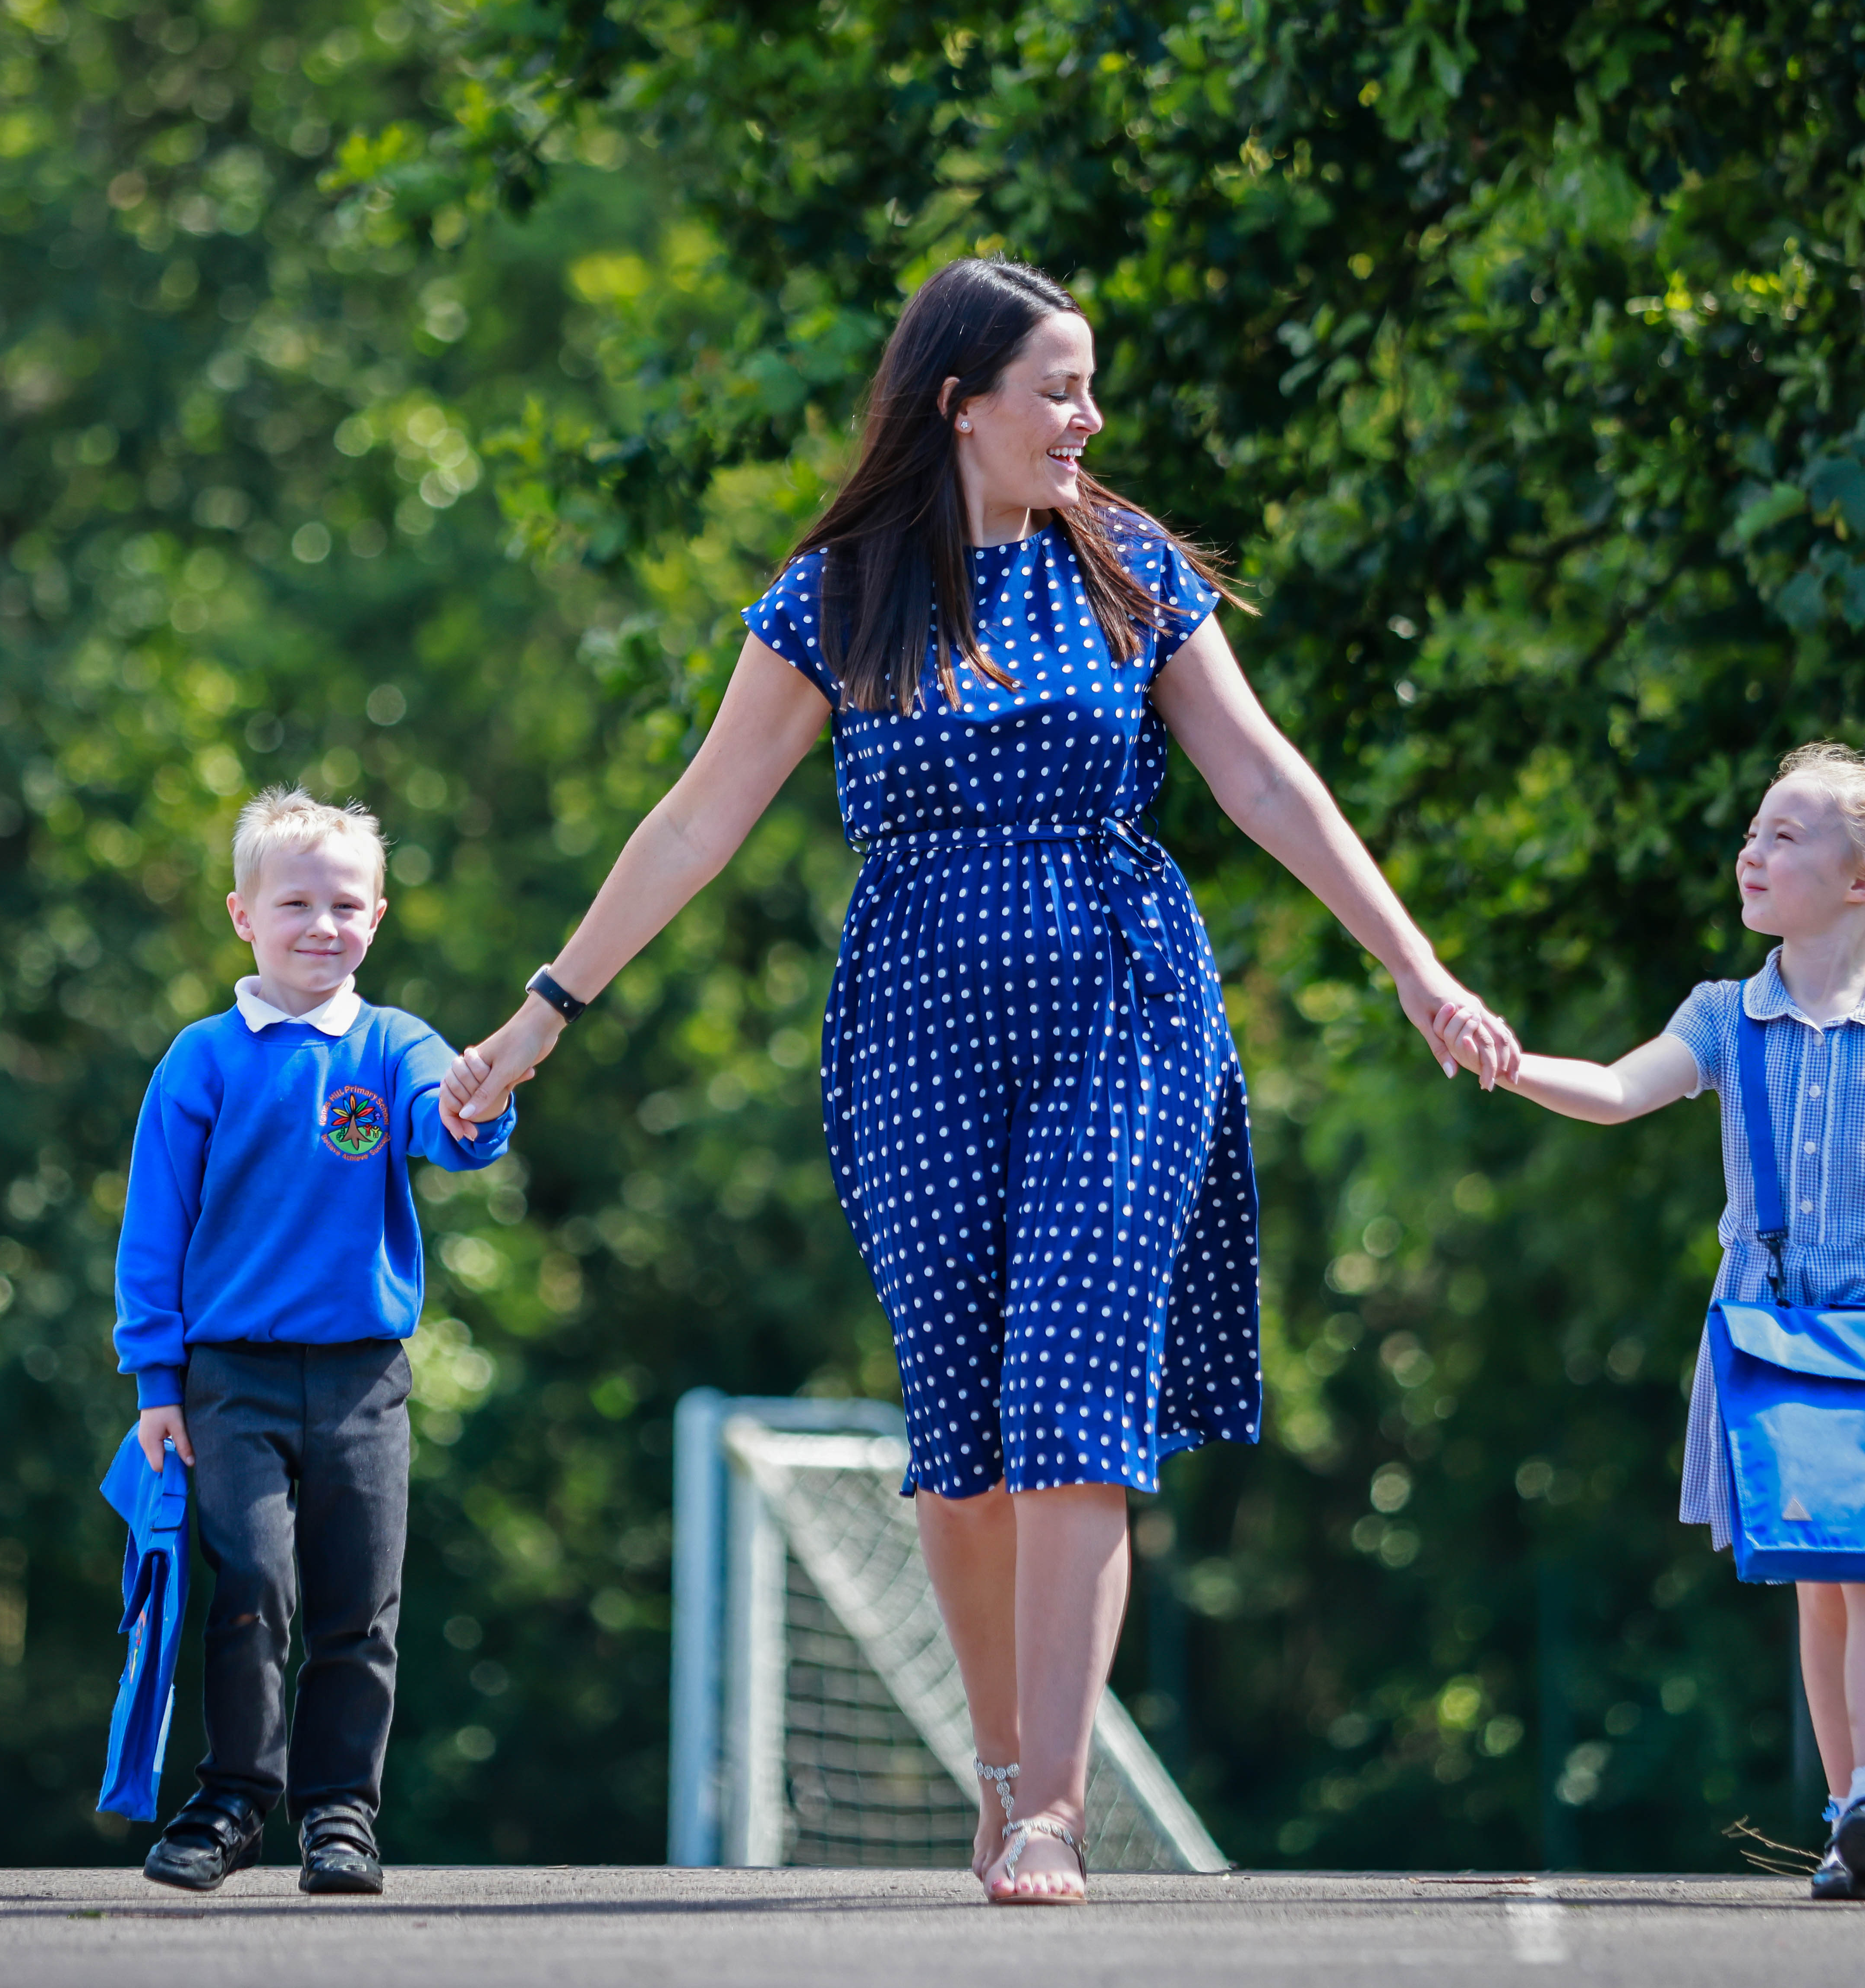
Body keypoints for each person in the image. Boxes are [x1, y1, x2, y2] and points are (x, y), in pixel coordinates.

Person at [442, 256, 1519, 1903]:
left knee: (1075, 1395)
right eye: (1058, 389)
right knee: (962, 1425)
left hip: (1123, 1002)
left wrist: (1413, 961)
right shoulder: (836, 594)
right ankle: (1000, 1767)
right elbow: (696, 818)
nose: (1088, 418)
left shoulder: (1133, 571)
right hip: (918, 1024)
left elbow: (1260, 777)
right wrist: (544, 1011)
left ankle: (1053, 1815)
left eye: (1089, 388)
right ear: (962, 404)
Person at [1434, 744, 1865, 1902]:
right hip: (1772, 1341)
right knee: (1815, 1571)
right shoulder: (1722, 1014)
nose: (1751, 851)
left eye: (1783, 836)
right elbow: (1611, 1089)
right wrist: (1504, 1059)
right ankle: (1852, 1815)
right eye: (1753, 830)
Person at [113, 788, 515, 1897]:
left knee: (359, 1600)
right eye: (296, 902)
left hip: (361, 1383)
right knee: (249, 1578)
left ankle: (339, 1812)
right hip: (226, 1378)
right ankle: (236, 1798)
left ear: (378, 917)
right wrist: (156, 1379)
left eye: (347, 904)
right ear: (243, 914)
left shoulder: (395, 1046)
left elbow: (452, 1123)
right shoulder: (200, 1062)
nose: (322, 925)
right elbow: (154, 1230)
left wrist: (480, 1101)